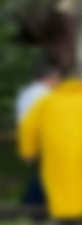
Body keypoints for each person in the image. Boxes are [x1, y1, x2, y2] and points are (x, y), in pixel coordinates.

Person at [18, 76, 82, 223]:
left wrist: (29, 151)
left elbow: (29, 126)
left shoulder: (48, 101)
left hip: (57, 152)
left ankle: (64, 222)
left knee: (60, 186)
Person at [15, 63, 61, 206]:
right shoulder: (44, 95)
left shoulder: (28, 93)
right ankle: (30, 203)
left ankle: (37, 203)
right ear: (49, 78)